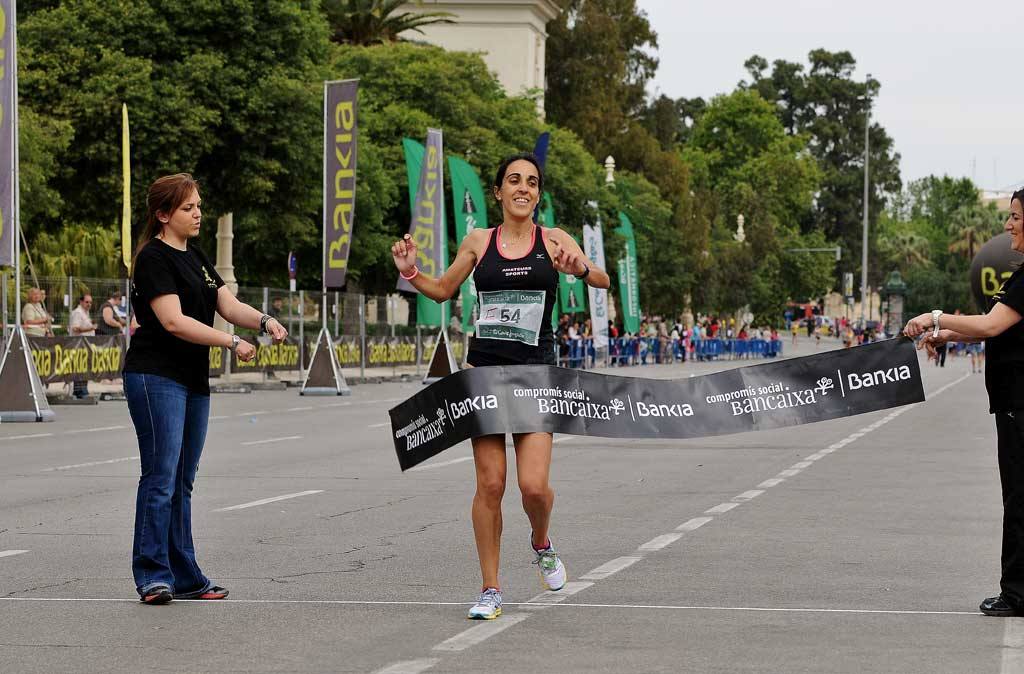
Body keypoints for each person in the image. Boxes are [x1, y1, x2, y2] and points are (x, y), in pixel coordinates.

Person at [390, 153, 610, 620]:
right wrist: (411, 271)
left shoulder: (554, 240)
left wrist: (580, 270)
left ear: (538, 194)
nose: (523, 188)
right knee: (490, 484)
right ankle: (490, 589)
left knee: (533, 488)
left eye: (531, 182)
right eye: (514, 181)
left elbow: (603, 280)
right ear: (498, 191)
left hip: (536, 375)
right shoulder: (478, 241)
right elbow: (444, 289)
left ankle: (541, 541)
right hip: (485, 374)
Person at [123, 173, 288, 605]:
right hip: (155, 375)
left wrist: (264, 321)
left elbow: (226, 303)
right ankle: (152, 575)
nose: (198, 213)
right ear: (162, 215)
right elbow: (173, 321)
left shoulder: (194, 255)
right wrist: (231, 341)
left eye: (198, 205)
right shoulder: (153, 258)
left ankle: (187, 576)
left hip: (192, 379)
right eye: (188, 208)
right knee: (160, 478)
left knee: (183, 481)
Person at [905, 189, 1024, 617]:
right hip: (1013, 403)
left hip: (1018, 405)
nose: (1008, 225)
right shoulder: (1020, 276)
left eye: (1014, 217)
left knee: (1019, 500)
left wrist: (935, 317)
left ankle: (1016, 594)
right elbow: (996, 326)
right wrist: (946, 335)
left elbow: (992, 325)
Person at [68, 294, 97, 398]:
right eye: (87, 302)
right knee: (80, 367)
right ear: (81, 302)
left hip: (86, 345)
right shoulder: (77, 313)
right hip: (79, 344)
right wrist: (90, 329)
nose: (89, 304)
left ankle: (82, 389)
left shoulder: (86, 313)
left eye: (90, 302)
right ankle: (80, 391)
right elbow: (75, 328)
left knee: (85, 367)